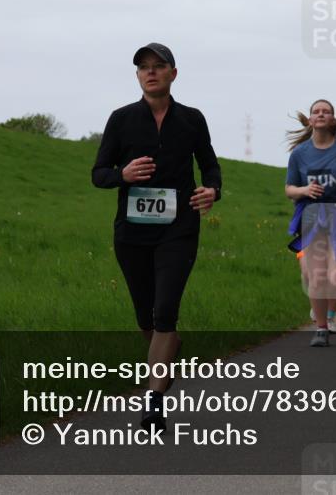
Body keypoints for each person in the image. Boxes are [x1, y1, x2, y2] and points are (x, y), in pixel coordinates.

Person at [92, 42, 221, 432]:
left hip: (178, 229)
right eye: (143, 67)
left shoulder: (192, 119)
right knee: (144, 315)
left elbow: (210, 166)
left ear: (173, 73)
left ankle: (152, 402)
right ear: (137, 76)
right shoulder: (122, 119)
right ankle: (167, 350)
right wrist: (122, 175)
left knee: (165, 311)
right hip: (131, 233)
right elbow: (98, 173)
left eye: (158, 66)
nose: (151, 72)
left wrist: (212, 191)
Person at [285, 99, 336, 347]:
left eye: (326, 111)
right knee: (315, 276)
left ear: (333, 119)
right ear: (310, 120)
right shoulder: (299, 154)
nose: (321, 114)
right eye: (316, 111)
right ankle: (321, 328)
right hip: (311, 216)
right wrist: (304, 189)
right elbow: (289, 189)